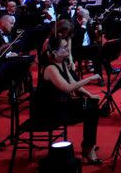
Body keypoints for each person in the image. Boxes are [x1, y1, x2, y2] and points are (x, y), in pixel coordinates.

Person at [34, 36, 102, 164]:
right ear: (54, 53)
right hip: (49, 112)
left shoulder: (62, 63)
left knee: (92, 106)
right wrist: (89, 79)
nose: (67, 49)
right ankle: (88, 147)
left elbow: (73, 82)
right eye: (64, 47)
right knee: (91, 111)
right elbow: (67, 88)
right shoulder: (50, 68)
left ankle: (89, 145)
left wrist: (89, 95)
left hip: (61, 104)